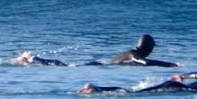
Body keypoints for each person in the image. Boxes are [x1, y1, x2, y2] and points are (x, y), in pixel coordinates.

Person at [78, 56, 197, 94]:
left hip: (176, 85)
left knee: (132, 92)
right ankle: (95, 89)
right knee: (133, 94)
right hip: (179, 89)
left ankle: (97, 88)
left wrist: (183, 76)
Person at [12, 34, 178, 67]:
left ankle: (33, 59)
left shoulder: (127, 52)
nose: (152, 51)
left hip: (99, 65)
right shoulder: (135, 54)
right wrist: (169, 65)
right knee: (63, 66)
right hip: (97, 66)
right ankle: (33, 59)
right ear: (148, 47)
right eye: (152, 48)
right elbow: (144, 62)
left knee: (64, 65)